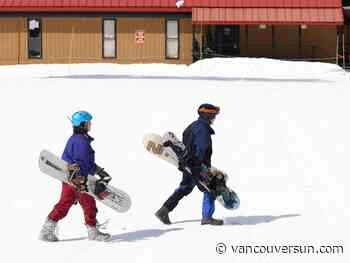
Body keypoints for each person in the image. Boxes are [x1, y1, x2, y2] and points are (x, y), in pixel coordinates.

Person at [39, 111, 112, 242]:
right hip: (75, 181)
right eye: (89, 122)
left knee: (88, 204)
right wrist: (81, 182)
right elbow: (79, 163)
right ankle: (46, 231)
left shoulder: (80, 139)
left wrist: (99, 171)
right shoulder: (80, 141)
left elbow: (86, 162)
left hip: (78, 180)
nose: (91, 124)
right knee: (66, 205)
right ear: (83, 124)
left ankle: (92, 231)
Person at [155, 103, 223, 225]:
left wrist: (187, 164)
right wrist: (200, 168)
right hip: (198, 165)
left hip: (187, 163)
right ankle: (207, 217)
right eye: (213, 115)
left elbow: (185, 145)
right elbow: (201, 148)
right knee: (210, 188)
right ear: (207, 115)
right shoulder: (203, 130)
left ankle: (163, 210)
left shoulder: (190, 127)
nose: (214, 118)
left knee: (185, 187)